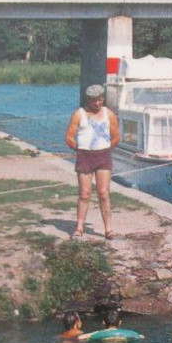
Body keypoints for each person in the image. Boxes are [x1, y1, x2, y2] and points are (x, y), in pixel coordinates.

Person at [64, 84, 120, 239]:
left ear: (103, 99)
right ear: (89, 100)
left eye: (100, 100)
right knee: (84, 193)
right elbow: (69, 137)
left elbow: (116, 137)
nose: (97, 103)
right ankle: (79, 228)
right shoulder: (79, 114)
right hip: (85, 157)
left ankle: (108, 229)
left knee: (103, 193)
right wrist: (79, 149)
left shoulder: (109, 114)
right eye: (94, 101)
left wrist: (106, 148)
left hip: (103, 156)